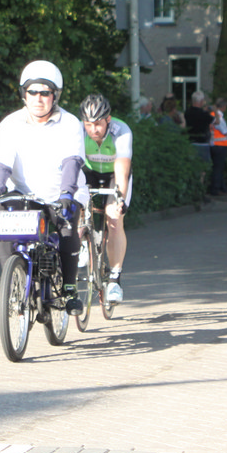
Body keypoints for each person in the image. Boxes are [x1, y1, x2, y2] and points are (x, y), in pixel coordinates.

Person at [0, 60, 85, 314]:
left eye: (45, 93)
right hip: (23, 193)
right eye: (32, 91)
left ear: (55, 96)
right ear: (23, 94)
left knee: (67, 226)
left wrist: (67, 193)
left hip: (61, 193)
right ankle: (11, 280)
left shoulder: (70, 123)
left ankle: (70, 288)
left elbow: (72, 162)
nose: (38, 98)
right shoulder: (10, 124)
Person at [80, 94, 132, 304]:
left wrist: (119, 199)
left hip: (113, 175)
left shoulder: (121, 131)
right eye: (88, 124)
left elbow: (121, 169)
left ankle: (114, 279)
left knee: (114, 219)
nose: (93, 130)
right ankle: (83, 242)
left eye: (98, 124)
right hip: (89, 173)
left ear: (108, 120)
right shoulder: (77, 131)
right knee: (74, 206)